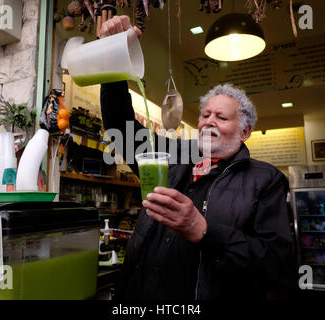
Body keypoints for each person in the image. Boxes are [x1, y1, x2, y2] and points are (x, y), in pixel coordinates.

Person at [100, 15, 296, 300]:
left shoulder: (265, 180)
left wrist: (204, 231)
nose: (208, 122)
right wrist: (113, 56)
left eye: (221, 116)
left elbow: (277, 267)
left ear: (245, 131)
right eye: (205, 115)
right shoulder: (172, 156)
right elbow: (121, 126)